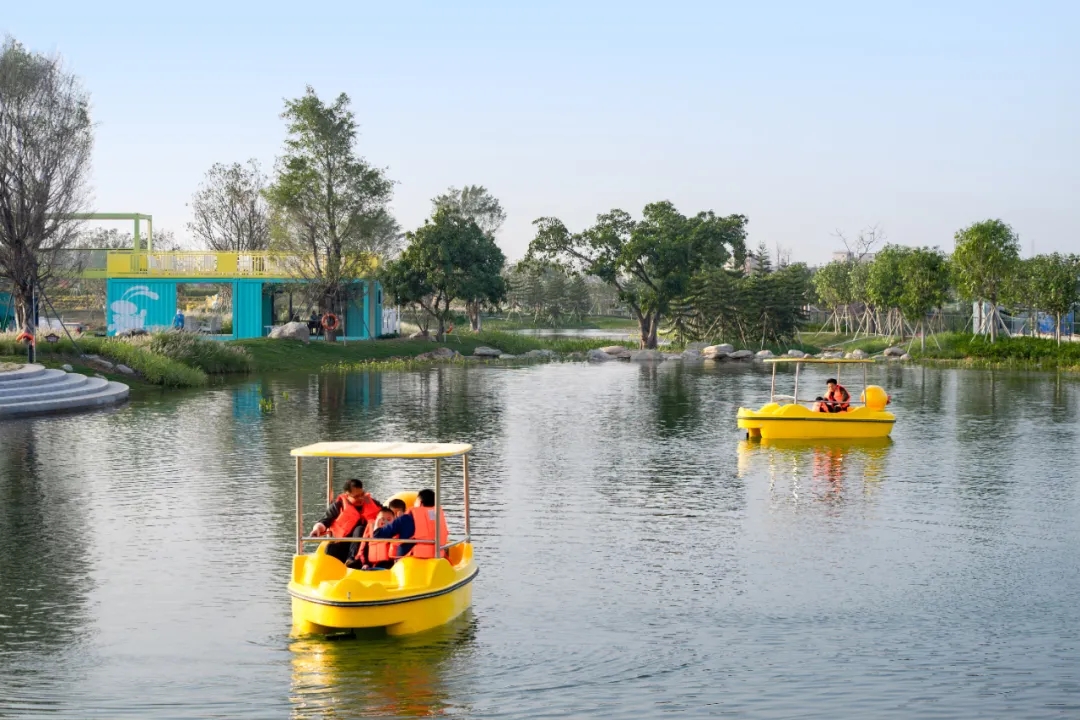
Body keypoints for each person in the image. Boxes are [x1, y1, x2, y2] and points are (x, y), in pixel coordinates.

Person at [311, 479, 383, 563]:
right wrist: (317, 529)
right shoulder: (338, 506)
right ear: (347, 494)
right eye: (356, 496)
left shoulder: (374, 503)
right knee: (330, 548)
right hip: (343, 544)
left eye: (362, 494)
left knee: (359, 529)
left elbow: (387, 515)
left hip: (368, 547)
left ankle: (353, 560)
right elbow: (324, 521)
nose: (361, 498)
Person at [372, 489, 450, 560]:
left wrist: (378, 521)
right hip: (437, 558)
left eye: (416, 501)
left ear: (420, 503)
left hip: (410, 561)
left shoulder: (405, 519)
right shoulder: (439, 518)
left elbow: (378, 535)